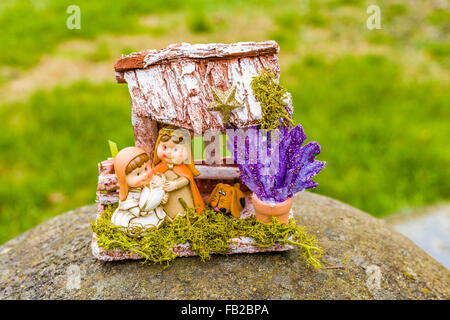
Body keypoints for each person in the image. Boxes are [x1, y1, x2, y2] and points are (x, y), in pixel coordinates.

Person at [151, 127, 205, 219]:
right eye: (164, 147)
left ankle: (185, 217)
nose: (168, 152)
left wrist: (176, 184)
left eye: (175, 150)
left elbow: (186, 179)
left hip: (181, 198)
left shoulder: (183, 169)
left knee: (182, 209)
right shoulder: (158, 169)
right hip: (164, 201)